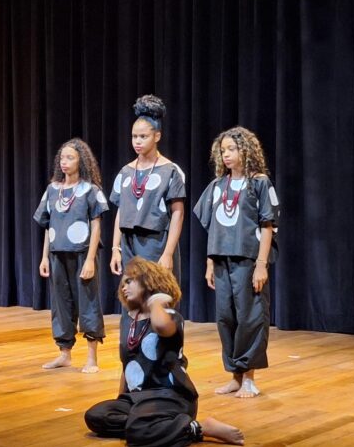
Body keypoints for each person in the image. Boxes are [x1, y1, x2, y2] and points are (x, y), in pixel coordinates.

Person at [84, 257, 245, 446]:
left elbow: (162, 327)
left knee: (137, 431)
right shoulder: (128, 320)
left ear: (148, 281)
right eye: (122, 284)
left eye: (129, 281)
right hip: (138, 398)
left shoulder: (170, 316)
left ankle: (198, 427)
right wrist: (122, 399)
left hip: (169, 396)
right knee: (96, 415)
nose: (123, 287)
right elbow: (128, 365)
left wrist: (154, 304)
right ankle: (152, 426)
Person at [193, 126, 279, 398]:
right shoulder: (218, 186)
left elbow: (268, 225)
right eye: (223, 150)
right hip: (221, 260)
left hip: (248, 260)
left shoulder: (259, 182)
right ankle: (235, 375)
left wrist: (261, 264)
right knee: (225, 318)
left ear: (246, 150)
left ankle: (250, 377)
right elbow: (213, 227)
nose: (226, 154)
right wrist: (209, 262)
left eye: (232, 149)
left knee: (250, 316)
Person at [33, 138, 109, 373]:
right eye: (62, 158)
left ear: (81, 161)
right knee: (60, 304)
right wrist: (44, 257)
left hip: (81, 254)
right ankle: (64, 353)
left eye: (70, 158)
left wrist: (90, 259)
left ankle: (91, 357)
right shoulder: (52, 190)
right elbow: (47, 225)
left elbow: (96, 225)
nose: (64, 162)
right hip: (57, 254)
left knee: (88, 302)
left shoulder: (90, 190)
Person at [109, 95, 186, 284]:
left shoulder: (170, 171)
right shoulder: (126, 172)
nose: (138, 141)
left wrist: (168, 253)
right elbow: (121, 210)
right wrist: (115, 248)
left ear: (157, 136)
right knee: (133, 298)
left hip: (156, 243)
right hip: (129, 244)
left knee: (156, 297)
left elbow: (178, 214)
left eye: (143, 136)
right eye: (134, 136)